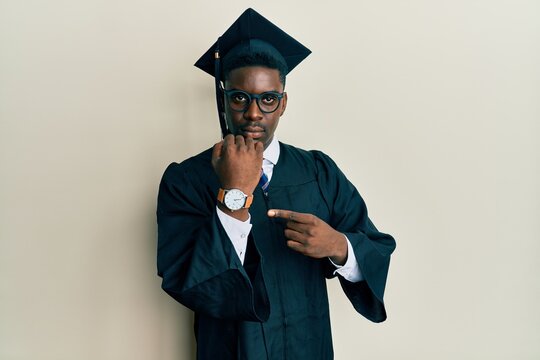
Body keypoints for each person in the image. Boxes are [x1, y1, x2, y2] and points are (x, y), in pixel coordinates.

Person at [157, 8, 396, 360]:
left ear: (282, 103)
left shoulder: (318, 170)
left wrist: (339, 245)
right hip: (232, 351)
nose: (254, 114)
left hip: (309, 347)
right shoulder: (187, 179)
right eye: (240, 97)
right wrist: (233, 196)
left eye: (268, 99)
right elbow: (187, 281)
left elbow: (376, 247)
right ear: (224, 101)